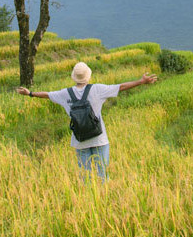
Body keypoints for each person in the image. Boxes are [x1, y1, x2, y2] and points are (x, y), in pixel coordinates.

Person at [16, 61, 157, 181]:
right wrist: (141, 81)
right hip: (99, 139)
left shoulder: (65, 93)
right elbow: (121, 87)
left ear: (74, 77)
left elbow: (47, 95)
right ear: (88, 76)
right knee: (103, 176)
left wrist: (30, 93)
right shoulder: (97, 89)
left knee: (85, 177)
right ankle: (103, 203)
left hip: (80, 141)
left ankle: (87, 202)